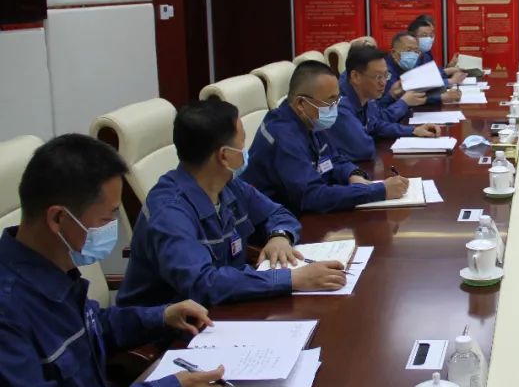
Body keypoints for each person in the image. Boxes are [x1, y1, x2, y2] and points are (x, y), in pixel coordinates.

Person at [0, 134, 227, 387]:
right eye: (106, 219)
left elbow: (93, 326)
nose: (112, 229)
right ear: (58, 218)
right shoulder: (8, 308)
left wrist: (161, 316)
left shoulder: (55, 267)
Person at [118, 98, 347, 308]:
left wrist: (279, 236)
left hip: (225, 308)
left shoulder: (228, 185)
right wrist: (292, 279)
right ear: (224, 156)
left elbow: (278, 213)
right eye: (242, 143)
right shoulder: (169, 211)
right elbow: (202, 283)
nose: (245, 152)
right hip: (171, 331)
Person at [244, 60, 410, 214]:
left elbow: (333, 158)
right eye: (330, 102)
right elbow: (311, 196)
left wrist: (353, 174)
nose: (334, 108)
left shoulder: (310, 119)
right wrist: (379, 190)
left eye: (337, 100)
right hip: (276, 222)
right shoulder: (283, 135)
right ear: (301, 104)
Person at [330, 44, 442, 162]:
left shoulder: (366, 96)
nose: (383, 83)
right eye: (378, 77)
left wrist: (413, 130)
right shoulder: (340, 107)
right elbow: (365, 149)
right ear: (355, 76)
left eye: (385, 76)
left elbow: (376, 124)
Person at [381, 32, 461, 107]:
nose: (413, 54)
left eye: (416, 51)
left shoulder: (411, 63)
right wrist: (441, 96)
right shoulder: (385, 70)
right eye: (408, 50)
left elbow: (423, 80)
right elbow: (405, 96)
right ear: (393, 53)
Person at [409, 16, 467, 87]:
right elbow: (418, 82)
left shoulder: (426, 53)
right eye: (424, 35)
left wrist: (449, 68)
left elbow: (433, 74)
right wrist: (450, 78)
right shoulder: (408, 57)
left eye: (431, 34)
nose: (429, 38)